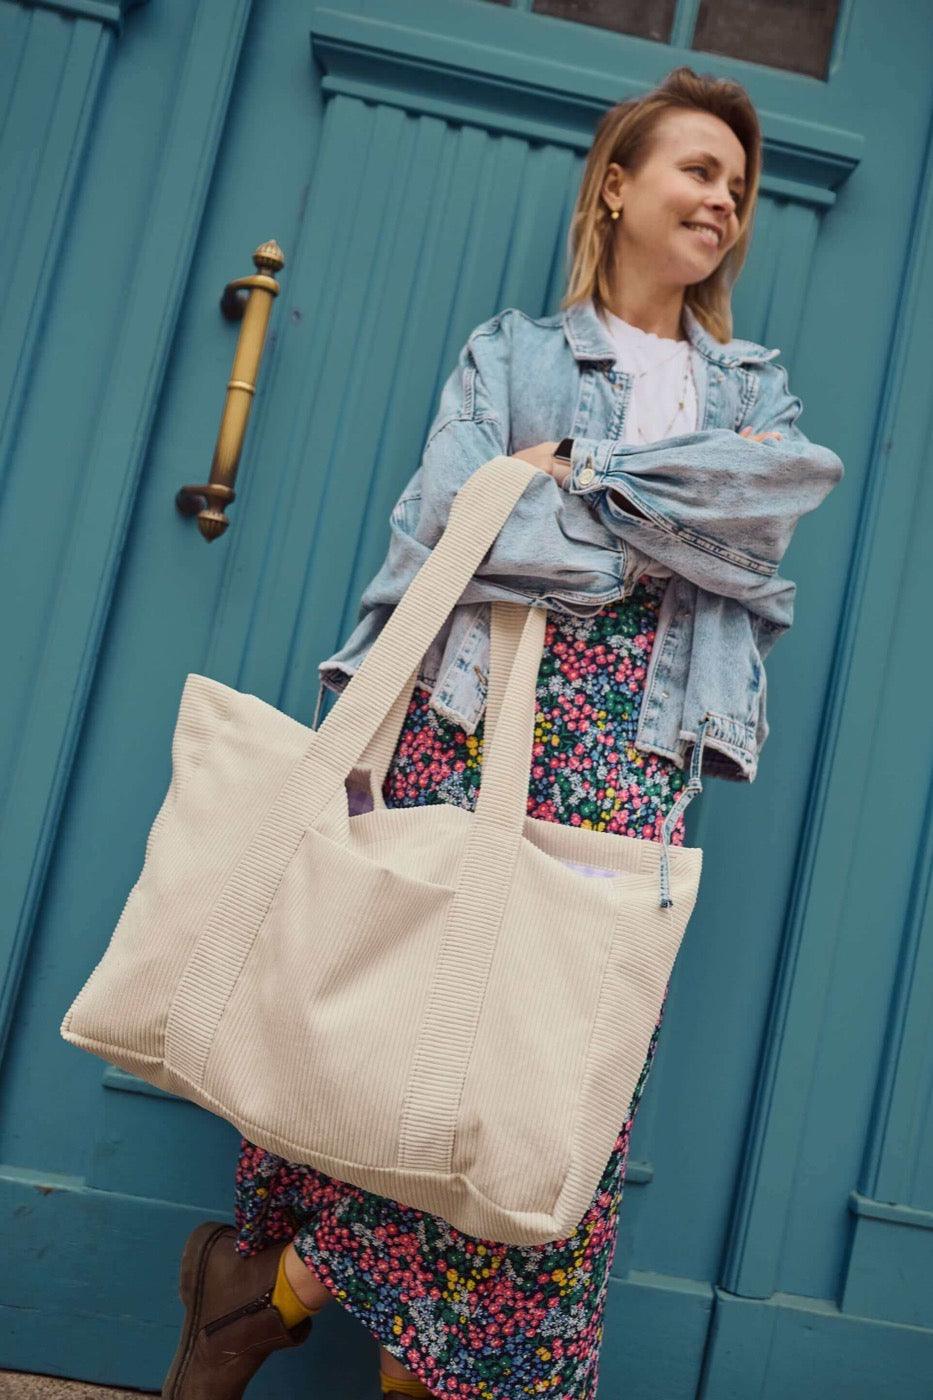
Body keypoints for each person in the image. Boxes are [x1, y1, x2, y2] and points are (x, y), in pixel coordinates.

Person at [161, 65, 843, 1399]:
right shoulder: (512, 356)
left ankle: (275, 1291)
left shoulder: (754, 395)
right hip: (476, 720)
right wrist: (655, 538)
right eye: (697, 171)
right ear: (616, 183)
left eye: (738, 189)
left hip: (633, 755)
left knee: (544, 1079)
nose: (722, 201)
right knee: (411, 1034)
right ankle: (379, 1354)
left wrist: (575, 482)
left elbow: (756, 543)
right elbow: (449, 539)